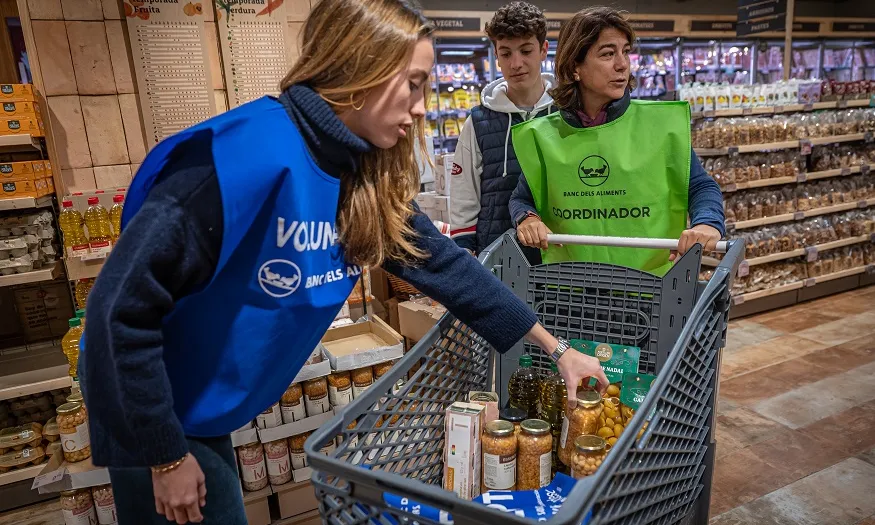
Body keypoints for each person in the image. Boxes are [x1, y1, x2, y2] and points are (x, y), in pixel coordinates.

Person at [78, 0, 609, 523]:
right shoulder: (234, 162)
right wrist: (163, 453)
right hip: (150, 407)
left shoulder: (356, 174)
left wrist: (558, 351)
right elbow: (116, 315)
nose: (422, 107)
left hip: (208, 406)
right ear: (360, 69)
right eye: (414, 83)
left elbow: (448, 269)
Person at [509, 7, 725, 275]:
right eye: (608, 54)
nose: (622, 64)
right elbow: (522, 197)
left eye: (625, 52)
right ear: (575, 66)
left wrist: (707, 224)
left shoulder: (660, 126)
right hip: (570, 292)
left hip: (650, 291)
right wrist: (527, 218)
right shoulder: (542, 135)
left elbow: (701, 186)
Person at [450, 1, 554, 261]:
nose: (516, 63)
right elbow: (465, 192)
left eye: (526, 51)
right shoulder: (478, 121)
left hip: (559, 251)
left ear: (543, 50)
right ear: (496, 57)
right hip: (498, 254)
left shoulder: (567, 112)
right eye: (506, 53)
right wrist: (465, 249)